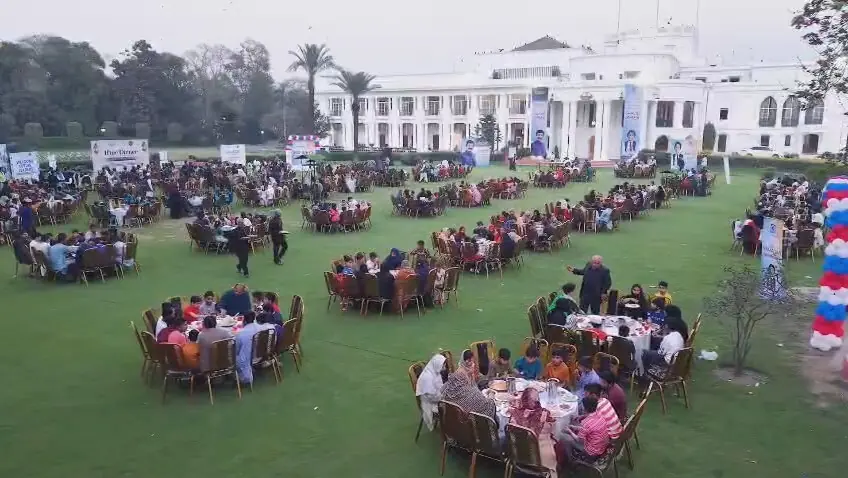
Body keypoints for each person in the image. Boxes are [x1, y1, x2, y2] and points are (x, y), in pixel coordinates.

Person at [510, 388, 558, 477]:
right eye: (536, 400)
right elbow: (553, 432)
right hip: (541, 457)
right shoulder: (544, 414)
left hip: (518, 452)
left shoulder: (514, 413)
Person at [558, 396, 611, 465]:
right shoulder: (600, 414)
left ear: (585, 408)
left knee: (564, 437)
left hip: (592, 452)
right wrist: (575, 427)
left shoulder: (586, 423)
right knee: (575, 425)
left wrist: (570, 431)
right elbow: (589, 429)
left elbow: (578, 440)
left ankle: (571, 460)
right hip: (602, 446)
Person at [415, 354, 448, 431]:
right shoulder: (427, 378)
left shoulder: (435, 371)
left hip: (438, 396)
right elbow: (431, 396)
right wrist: (444, 396)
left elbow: (440, 387)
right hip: (431, 403)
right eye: (442, 365)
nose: (444, 367)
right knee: (454, 407)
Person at [234, 311, 260, 384]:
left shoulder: (241, 333)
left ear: (244, 321)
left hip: (248, 359)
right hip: (260, 355)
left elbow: (236, 350)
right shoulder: (260, 328)